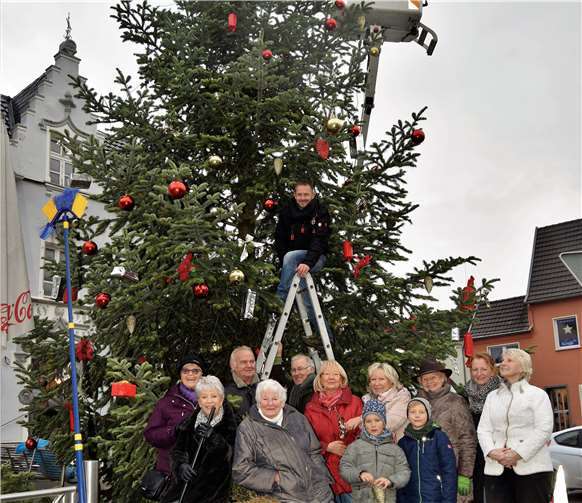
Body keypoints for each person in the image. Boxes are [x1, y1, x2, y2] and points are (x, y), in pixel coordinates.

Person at [232, 379, 334, 503]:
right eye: (265, 399)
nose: (270, 403)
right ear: (258, 402)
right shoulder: (247, 428)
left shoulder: (297, 417)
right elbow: (241, 470)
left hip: (319, 494)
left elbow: (314, 451)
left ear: (282, 401)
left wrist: (322, 478)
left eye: (275, 399)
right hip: (283, 497)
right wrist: (275, 478)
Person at [477, 348, 554, 503]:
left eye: (509, 360)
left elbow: (544, 430)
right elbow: (483, 429)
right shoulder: (492, 397)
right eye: (503, 360)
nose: (503, 363)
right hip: (496, 469)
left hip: (532, 469)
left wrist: (517, 454)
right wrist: (492, 452)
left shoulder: (537, 395)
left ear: (523, 367)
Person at [162, 376, 237, 503]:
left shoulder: (230, 424)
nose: (209, 401)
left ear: (221, 399)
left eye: (214, 396)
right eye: (204, 397)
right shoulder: (189, 423)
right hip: (183, 490)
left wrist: (214, 438)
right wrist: (181, 466)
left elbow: (231, 455)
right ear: (199, 401)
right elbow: (177, 451)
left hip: (213, 493)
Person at [274, 180, 331, 337]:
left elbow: (319, 240)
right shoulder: (287, 212)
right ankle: (324, 338)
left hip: (315, 258)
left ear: (313, 195)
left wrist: (307, 262)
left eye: (306, 194)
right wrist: (285, 262)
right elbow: (280, 239)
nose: (303, 198)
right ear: (294, 195)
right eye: (300, 194)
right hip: (292, 261)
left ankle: (279, 301)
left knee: (291, 256)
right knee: (308, 302)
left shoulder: (321, 212)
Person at [417, 359, 476, 502]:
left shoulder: (456, 402)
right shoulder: (417, 403)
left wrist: (464, 477)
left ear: (443, 378)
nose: (430, 381)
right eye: (425, 379)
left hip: (452, 470)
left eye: (434, 377)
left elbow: (468, 441)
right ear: (420, 382)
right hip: (426, 473)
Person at [304, 360, 363, 503]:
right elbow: (306, 440)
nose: (331, 377)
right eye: (326, 374)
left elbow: (367, 433)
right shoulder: (311, 407)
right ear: (320, 379)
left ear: (342, 378)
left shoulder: (355, 402)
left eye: (335, 374)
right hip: (325, 473)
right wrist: (327, 447)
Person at [144, 353, 206, 476]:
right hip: (172, 472)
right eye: (185, 371)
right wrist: (174, 431)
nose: (190, 374)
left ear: (202, 374)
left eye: (195, 371)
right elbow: (150, 434)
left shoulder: (212, 399)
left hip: (203, 476)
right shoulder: (167, 402)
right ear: (180, 374)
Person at [340, 399, 411, 503]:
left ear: (384, 422)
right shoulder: (355, 447)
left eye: (377, 420)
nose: (373, 425)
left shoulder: (395, 449)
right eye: (368, 421)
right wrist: (360, 474)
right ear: (363, 424)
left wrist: (391, 481)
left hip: (387, 499)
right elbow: (345, 468)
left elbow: (404, 472)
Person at [397, 398, 457, 503]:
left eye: (421, 412)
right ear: (407, 415)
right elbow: (400, 473)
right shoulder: (403, 442)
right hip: (411, 498)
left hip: (435, 496)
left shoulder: (439, 437)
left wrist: (449, 499)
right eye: (412, 412)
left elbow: (449, 470)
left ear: (428, 414)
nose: (417, 415)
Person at [465, 352, 501, 503]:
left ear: (492, 370)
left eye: (483, 369)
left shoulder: (502, 393)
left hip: (498, 454)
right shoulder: (465, 395)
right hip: (475, 457)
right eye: (475, 370)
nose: (479, 374)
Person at [224, 345, 284, 424]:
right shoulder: (225, 392)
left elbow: (280, 385)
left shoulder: (265, 386)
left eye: (252, 361)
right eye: (244, 362)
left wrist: (278, 356)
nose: (249, 365)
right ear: (233, 366)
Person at [361, 362, 411, 441]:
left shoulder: (402, 398)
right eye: (373, 379)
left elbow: (390, 424)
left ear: (391, 381)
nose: (376, 383)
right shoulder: (367, 399)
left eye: (381, 379)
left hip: (398, 448)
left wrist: (360, 420)